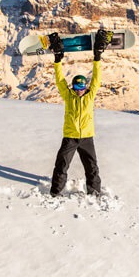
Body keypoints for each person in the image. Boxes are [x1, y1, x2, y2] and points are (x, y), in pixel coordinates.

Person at [49, 30, 112, 198]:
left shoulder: (90, 96)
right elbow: (60, 81)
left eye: (81, 87)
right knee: (61, 166)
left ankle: (94, 191)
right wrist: (57, 60)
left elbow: (96, 79)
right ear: (73, 87)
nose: (79, 91)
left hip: (86, 137)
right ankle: (55, 192)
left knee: (91, 167)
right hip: (70, 136)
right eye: (76, 87)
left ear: (85, 87)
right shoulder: (68, 96)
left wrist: (97, 57)